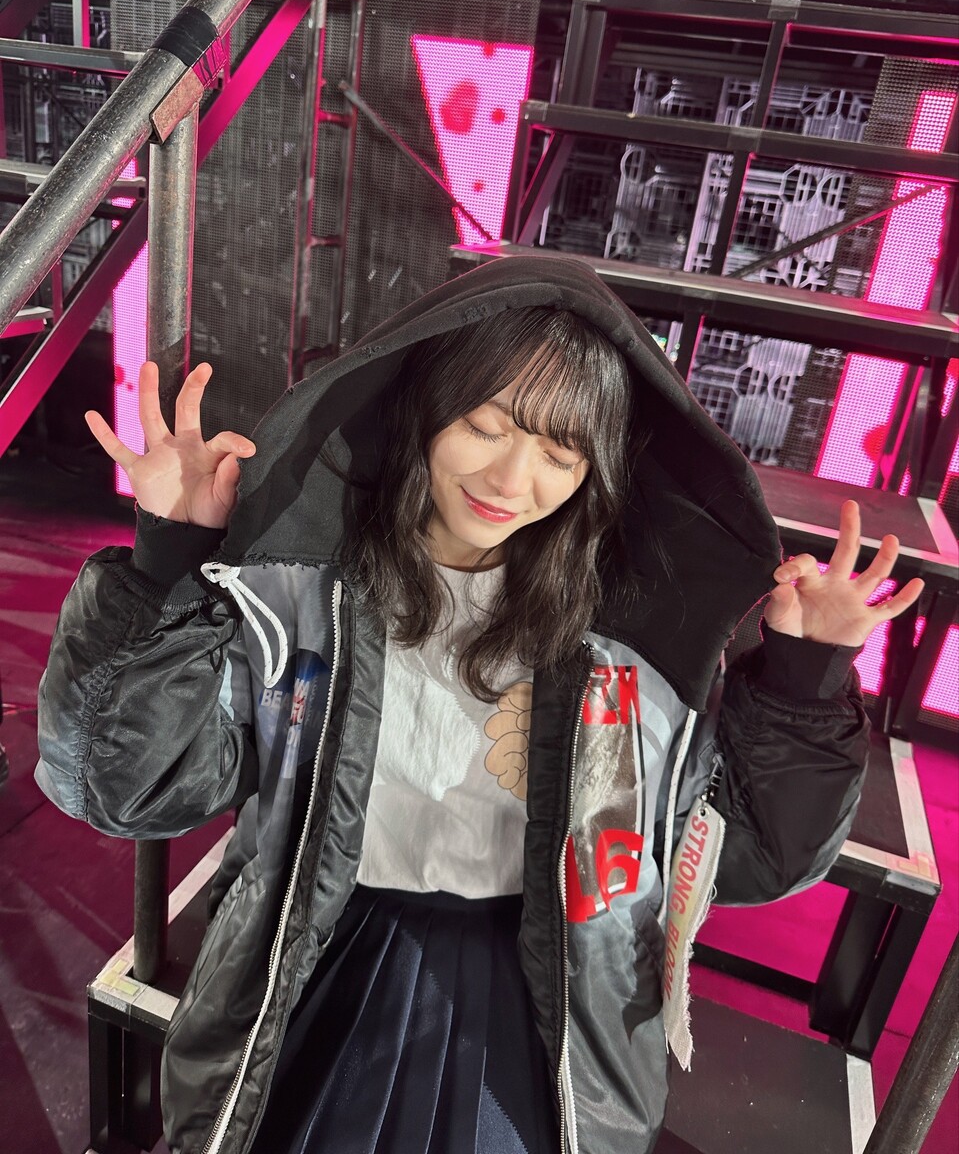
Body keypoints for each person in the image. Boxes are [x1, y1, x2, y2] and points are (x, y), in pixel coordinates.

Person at [37, 256, 922, 1154]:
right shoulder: (306, 601)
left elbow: (754, 857)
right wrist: (168, 562)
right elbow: (123, 787)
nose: (510, 479)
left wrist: (805, 676)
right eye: (485, 426)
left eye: (559, 454)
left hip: (540, 998)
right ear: (426, 409)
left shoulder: (621, 653)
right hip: (317, 964)